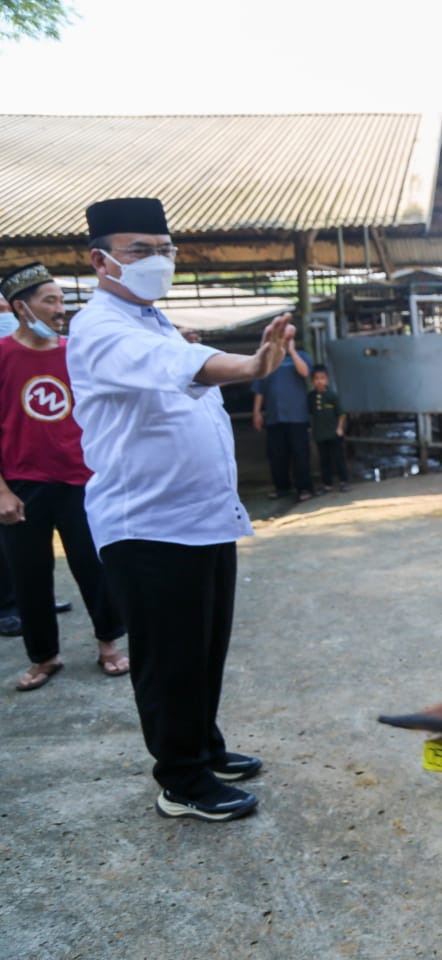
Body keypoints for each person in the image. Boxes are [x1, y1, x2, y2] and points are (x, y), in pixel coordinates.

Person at [67, 196, 294, 822]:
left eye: (165, 249)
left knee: (204, 648)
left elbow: (175, 360)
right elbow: (171, 368)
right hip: (148, 525)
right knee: (169, 658)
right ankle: (182, 780)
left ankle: (204, 745)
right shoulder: (101, 328)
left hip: (199, 518)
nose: (157, 260)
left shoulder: (153, 319)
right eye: (140, 249)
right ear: (101, 260)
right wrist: (250, 363)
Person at [0, 263, 128, 691]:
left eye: (61, 300)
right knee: (29, 574)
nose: (60, 309)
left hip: (82, 480)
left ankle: (109, 643)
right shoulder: (2, 356)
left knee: (95, 567)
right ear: (22, 307)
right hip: (22, 485)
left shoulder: (77, 352)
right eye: (49, 300)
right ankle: (44, 657)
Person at [251, 327, 314, 502]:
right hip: (274, 416)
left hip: (297, 416)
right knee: (277, 455)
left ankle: (304, 488)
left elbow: (305, 373)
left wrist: (292, 351)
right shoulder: (268, 359)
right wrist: (256, 412)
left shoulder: (301, 355)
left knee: (300, 453)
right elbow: (259, 389)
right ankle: (282, 488)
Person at [308, 364, 349, 493]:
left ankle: (344, 481)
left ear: (327, 379)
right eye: (316, 378)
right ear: (312, 381)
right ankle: (327, 484)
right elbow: (309, 413)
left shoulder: (332, 395)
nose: (319, 381)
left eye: (322, 378)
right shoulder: (311, 397)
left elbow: (341, 414)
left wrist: (340, 428)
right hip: (320, 434)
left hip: (334, 433)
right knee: (324, 460)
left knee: (338, 458)